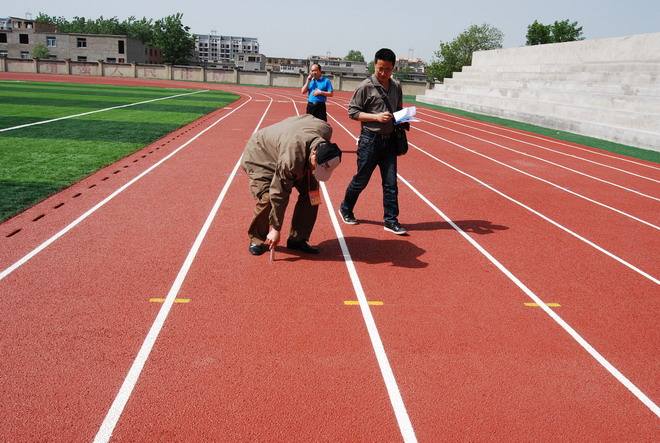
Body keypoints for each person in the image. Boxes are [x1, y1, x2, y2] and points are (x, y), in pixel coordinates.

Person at [241, 114, 342, 256]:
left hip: (290, 148)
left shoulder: (325, 130)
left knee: (313, 196)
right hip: (261, 155)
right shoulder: (291, 159)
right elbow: (279, 192)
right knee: (268, 198)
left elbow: (306, 118)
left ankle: (297, 239)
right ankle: (257, 239)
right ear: (313, 155)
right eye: (316, 167)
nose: (315, 171)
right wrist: (276, 229)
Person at [338, 48, 408, 235]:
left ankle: (391, 220)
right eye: (380, 69)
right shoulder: (365, 87)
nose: (384, 73)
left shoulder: (396, 86)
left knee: (391, 183)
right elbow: (352, 112)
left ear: (394, 68)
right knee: (361, 180)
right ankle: (346, 207)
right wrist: (376, 118)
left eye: (388, 69)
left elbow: (398, 109)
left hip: (390, 141)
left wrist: (404, 118)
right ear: (374, 65)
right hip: (370, 140)